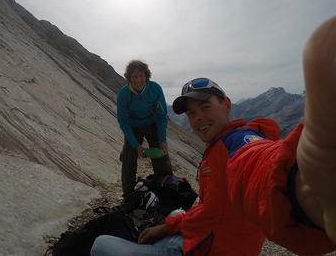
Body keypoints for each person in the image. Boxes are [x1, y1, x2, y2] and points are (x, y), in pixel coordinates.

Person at [91, 16, 336, 256]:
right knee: (132, 162)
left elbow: (257, 164)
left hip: (204, 246)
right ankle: (129, 195)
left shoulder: (235, 144)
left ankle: (163, 187)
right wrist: (169, 225)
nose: (197, 117)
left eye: (206, 107)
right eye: (191, 112)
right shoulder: (126, 96)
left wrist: (303, 187)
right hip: (200, 233)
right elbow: (210, 210)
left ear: (227, 105)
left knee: (101, 245)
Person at [117, 59, 173, 196]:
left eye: (141, 75)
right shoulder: (123, 94)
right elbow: (123, 121)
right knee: (129, 159)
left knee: (161, 156)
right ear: (129, 78)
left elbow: (161, 115)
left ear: (146, 76)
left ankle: (166, 189)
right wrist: (136, 146)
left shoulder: (155, 89)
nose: (138, 80)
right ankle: (128, 194)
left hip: (151, 122)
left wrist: (162, 140)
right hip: (133, 125)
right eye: (134, 76)